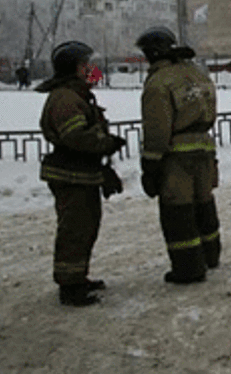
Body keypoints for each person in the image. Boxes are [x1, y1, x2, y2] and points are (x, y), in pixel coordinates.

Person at [36, 41, 126, 306]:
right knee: (75, 230)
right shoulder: (65, 97)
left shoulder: (77, 94)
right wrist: (105, 142)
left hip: (82, 173)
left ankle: (77, 276)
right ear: (75, 68)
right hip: (70, 174)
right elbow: (75, 137)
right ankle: (70, 286)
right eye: (87, 65)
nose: (93, 70)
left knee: (86, 226)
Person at [136, 26, 221, 284]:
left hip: (177, 157)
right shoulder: (196, 74)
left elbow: (157, 128)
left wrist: (150, 166)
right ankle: (211, 255)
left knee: (178, 211)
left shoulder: (158, 82)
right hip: (205, 149)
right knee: (204, 203)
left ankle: (188, 268)